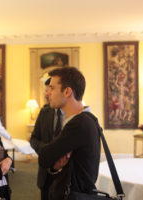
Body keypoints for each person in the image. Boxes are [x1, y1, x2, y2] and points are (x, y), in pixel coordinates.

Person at [38, 67, 101, 199]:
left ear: (67, 91)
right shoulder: (88, 119)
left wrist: (53, 161)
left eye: (52, 88)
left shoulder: (79, 123)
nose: (48, 93)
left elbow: (44, 157)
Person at [30, 77, 63, 200]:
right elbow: (34, 139)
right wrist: (46, 150)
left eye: (51, 89)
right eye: (46, 90)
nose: (46, 94)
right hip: (45, 175)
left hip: (65, 177)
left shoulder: (75, 117)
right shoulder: (44, 112)